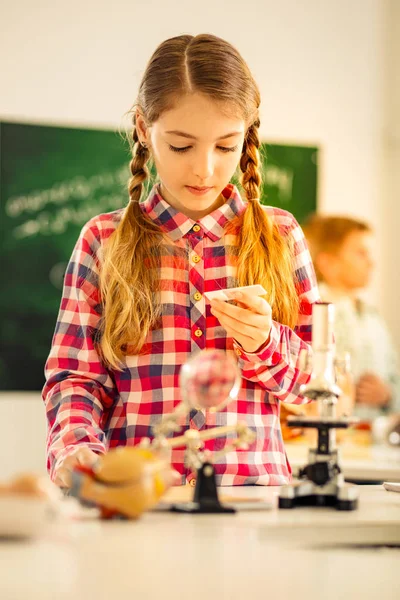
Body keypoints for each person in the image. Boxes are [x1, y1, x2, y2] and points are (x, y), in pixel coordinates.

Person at [42, 33, 319, 489]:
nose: (204, 169)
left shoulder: (281, 236)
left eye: (226, 147)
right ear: (142, 128)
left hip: (255, 507)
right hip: (138, 501)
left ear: (247, 136)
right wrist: (76, 451)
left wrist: (266, 341)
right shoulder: (104, 240)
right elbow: (76, 379)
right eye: (181, 145)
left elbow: (313, 390)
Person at [302, 214, 400, 421]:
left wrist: (387, 395)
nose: (371, 263)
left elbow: (393, 375)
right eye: (360, 253)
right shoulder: (310, 312)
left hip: (373, 438)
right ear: (328, 263)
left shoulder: (374, 317)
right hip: (330, 432)